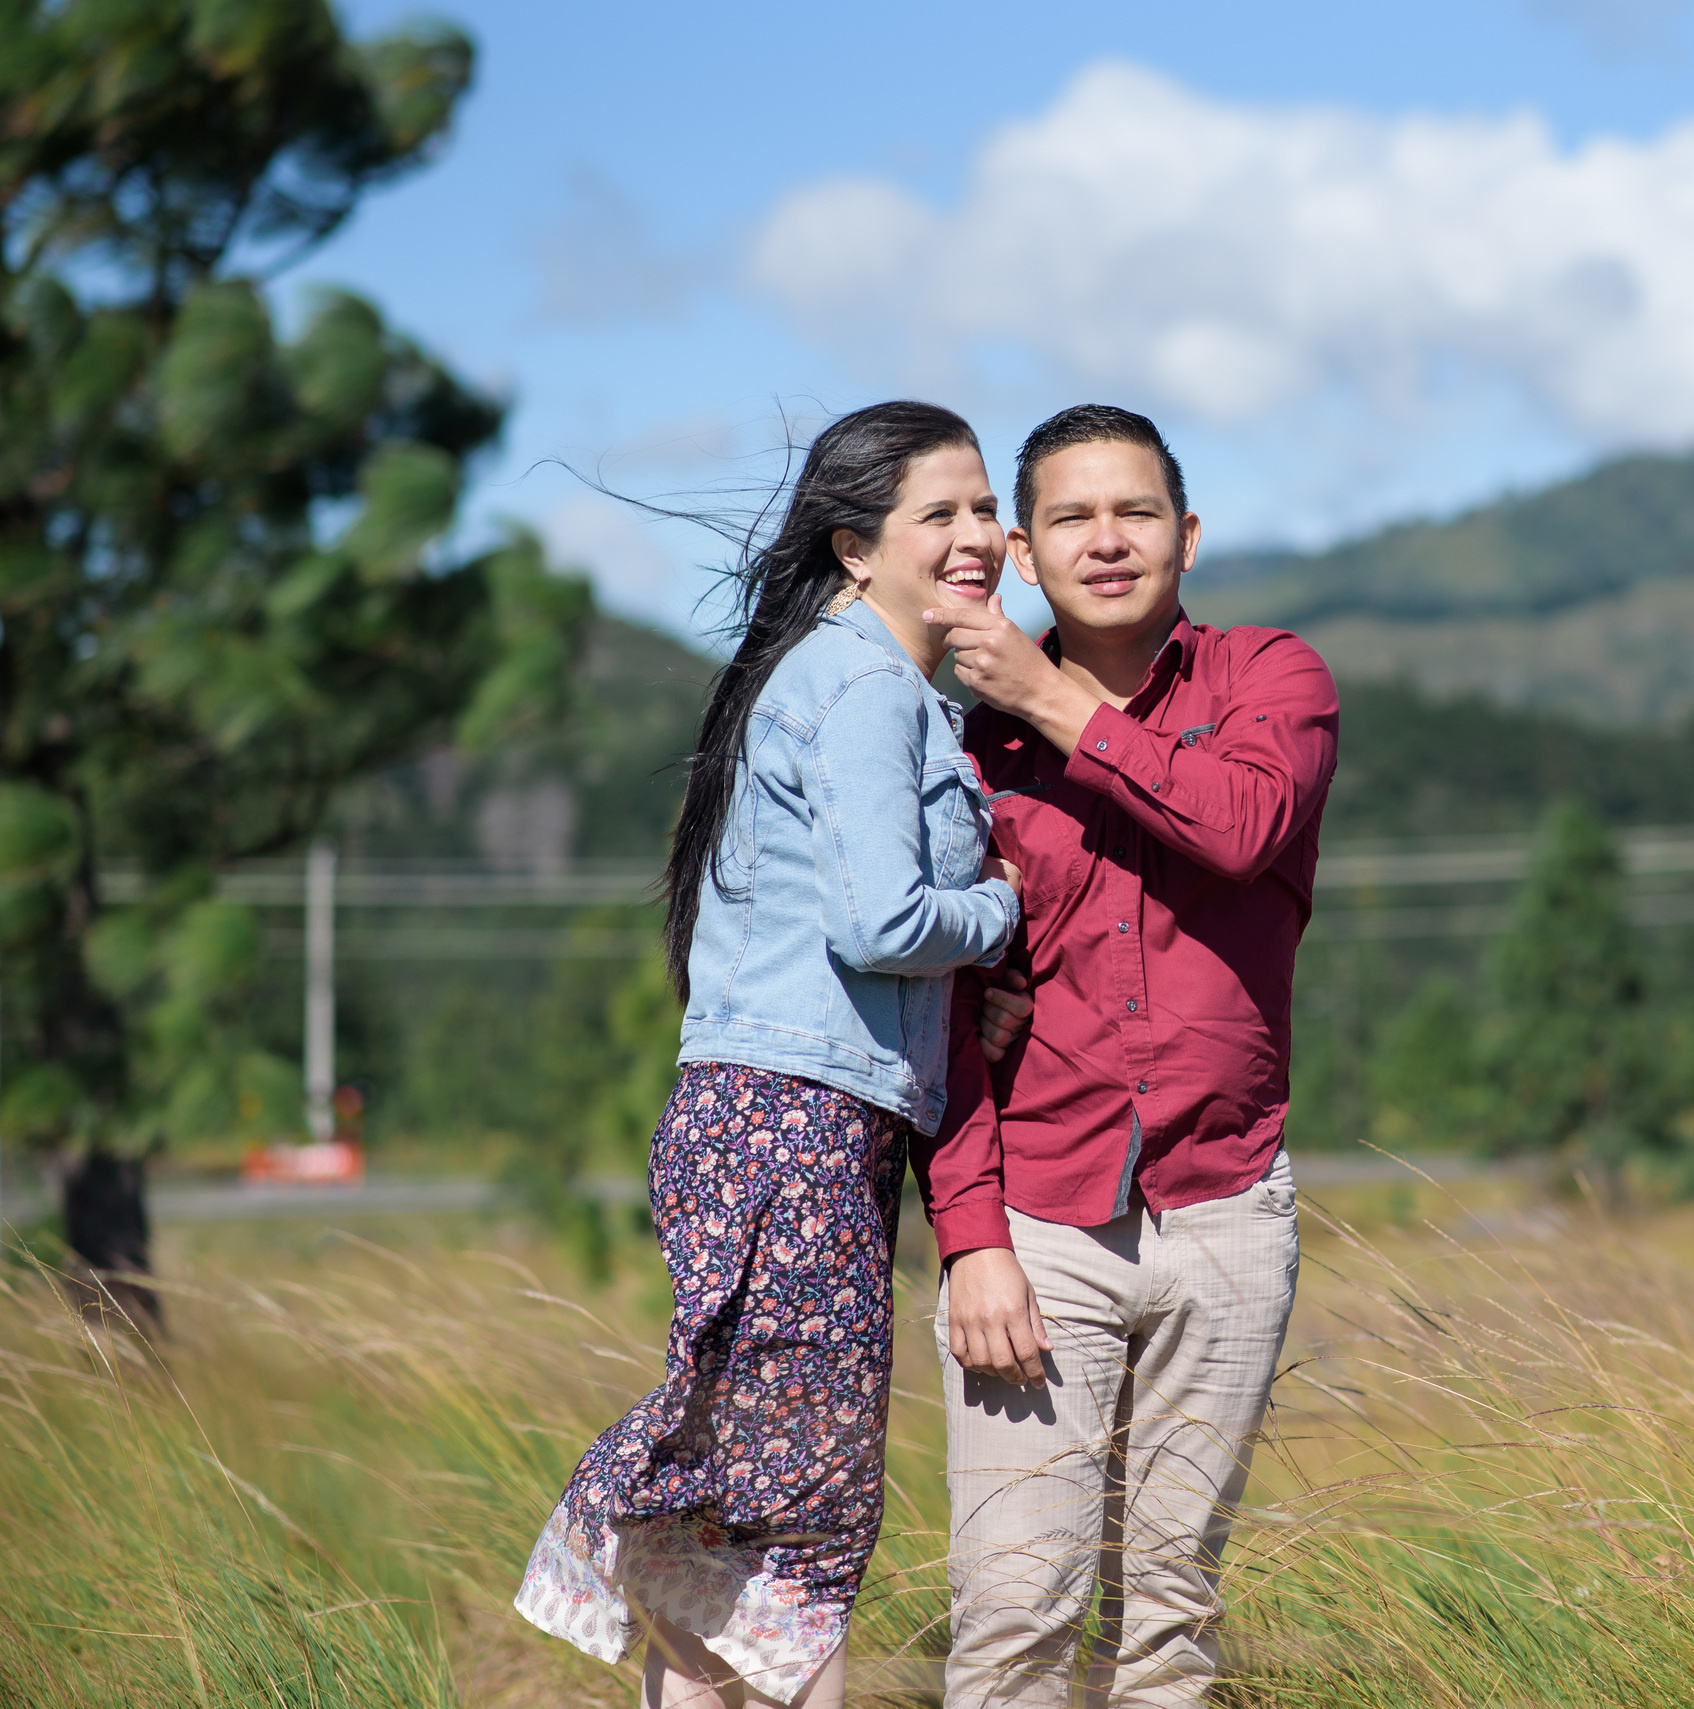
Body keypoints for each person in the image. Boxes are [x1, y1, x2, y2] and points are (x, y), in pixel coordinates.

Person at [513, 401, 1025, 1709]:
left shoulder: (859, 680)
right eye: (942, 514)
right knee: (799, 1506)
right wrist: (1008, 906)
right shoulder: (860, 684)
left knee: (758, 1499)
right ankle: (611, 1541)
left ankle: (646, 1577)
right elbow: (885, 918)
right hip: (795, 1128)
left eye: (984, 507)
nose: (979, 536)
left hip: (778, 1124)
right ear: (856, 547)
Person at [919, 405, 1339, 1706]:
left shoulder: (1274, 678)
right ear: (1028, 556)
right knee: (1014, 1613)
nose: (1109, 540)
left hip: (1227, 1208)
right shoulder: (958, 744)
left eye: (1137, 511)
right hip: (1037, 1225)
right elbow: (943, 1003)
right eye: (1072, 517)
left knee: (1170, 1626)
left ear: (1188, 535)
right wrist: (970, 1232)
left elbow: (1239, 824)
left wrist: (1048, 699)